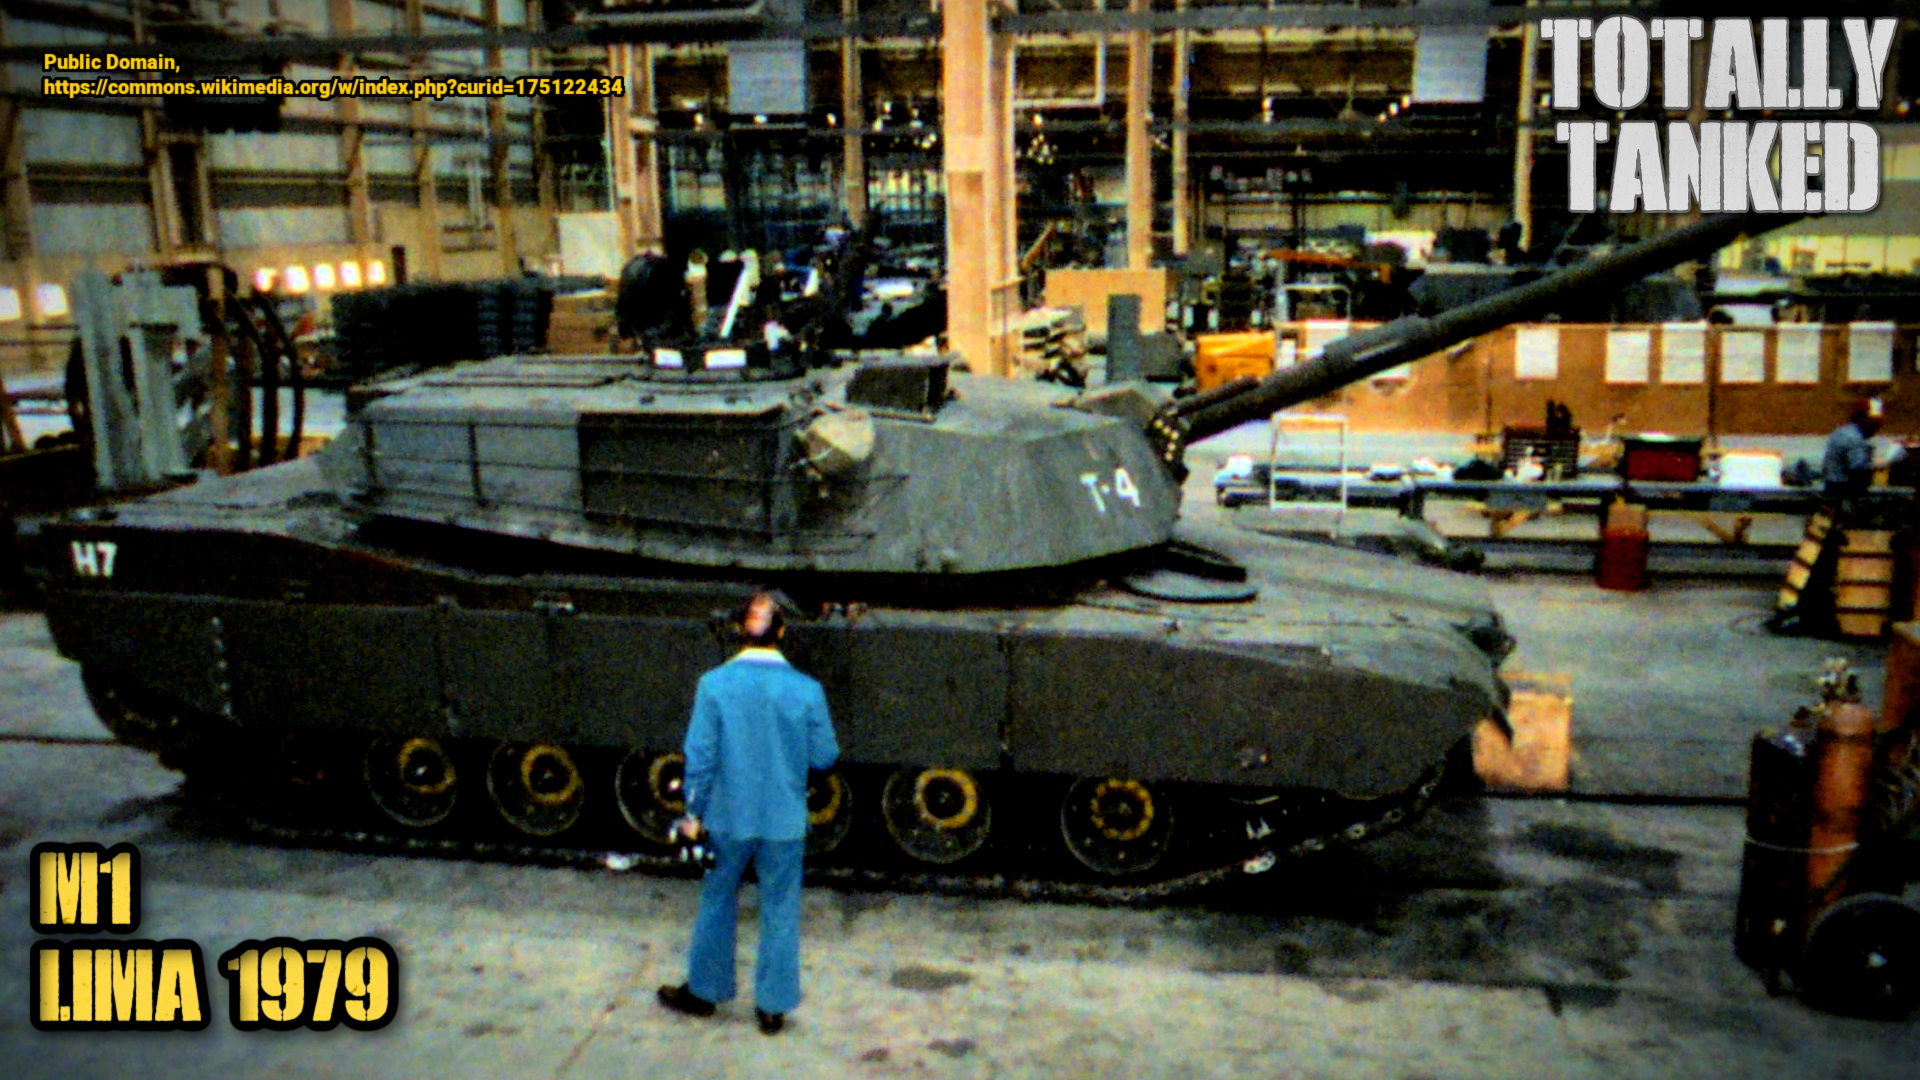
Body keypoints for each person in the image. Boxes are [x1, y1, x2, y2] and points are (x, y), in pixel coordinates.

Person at [657, 592, 839, 1036]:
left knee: (718, 898)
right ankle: (772, 1008)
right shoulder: (807, 690)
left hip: (726, 817)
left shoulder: (713, 685)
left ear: (739, 629)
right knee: (780, 907)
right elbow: (825, 756)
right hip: (783, 820)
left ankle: (704, 992)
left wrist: (692, 813)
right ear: (782, 631)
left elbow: (700, 757)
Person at [1822, 396, 1887, 497]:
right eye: (1874, 423)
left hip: (1831, 485)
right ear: (1862, 419)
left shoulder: (1841, 431)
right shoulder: (1855, 439)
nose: (1877, 428)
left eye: (1878, 423)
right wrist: (1878, 467)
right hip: (1843, 490)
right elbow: (1858, 470)